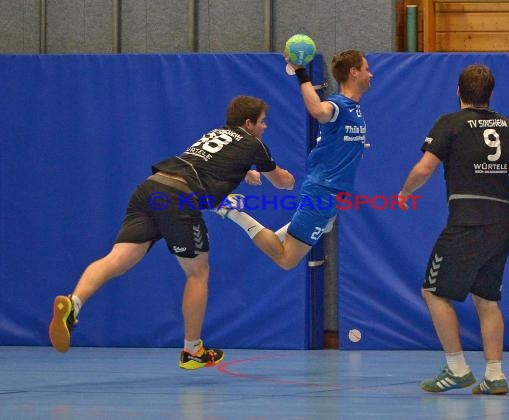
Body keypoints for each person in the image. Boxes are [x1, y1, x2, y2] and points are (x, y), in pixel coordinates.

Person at [48, 95, 295, 369]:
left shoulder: (215, 133)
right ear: (249, 124)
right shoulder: (253, 144)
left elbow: (210, 163)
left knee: (116, 259)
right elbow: (282, 182)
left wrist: (244, 171)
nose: (265, 127)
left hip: (150, 188)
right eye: (262, 122)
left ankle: (74, 303)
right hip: (179, 199)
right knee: (197, 273)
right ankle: (192, 351)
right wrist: (289, 178)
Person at [397, 64, 509, 395]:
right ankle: (495, 375)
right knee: (486, 298)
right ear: (490, 94)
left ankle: (457, 367)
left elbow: (426, 167)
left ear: (459, 91)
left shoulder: (450, 123)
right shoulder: (505, 124)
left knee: (432, 291)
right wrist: (495, 168)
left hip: (468, 220)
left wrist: (404, 192)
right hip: (503, 220)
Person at [216, 50, 372, 270]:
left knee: (322, 227)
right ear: (354, 72)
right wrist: (300, 71)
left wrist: (354, 148)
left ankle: (282, 232)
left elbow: (328, 140)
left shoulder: (354, 110)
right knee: (286, 259)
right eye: (366, 69)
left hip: (332, 193)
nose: (371, 74)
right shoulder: (338, 105)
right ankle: (231, 211)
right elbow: (318, 110)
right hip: (323, 193)